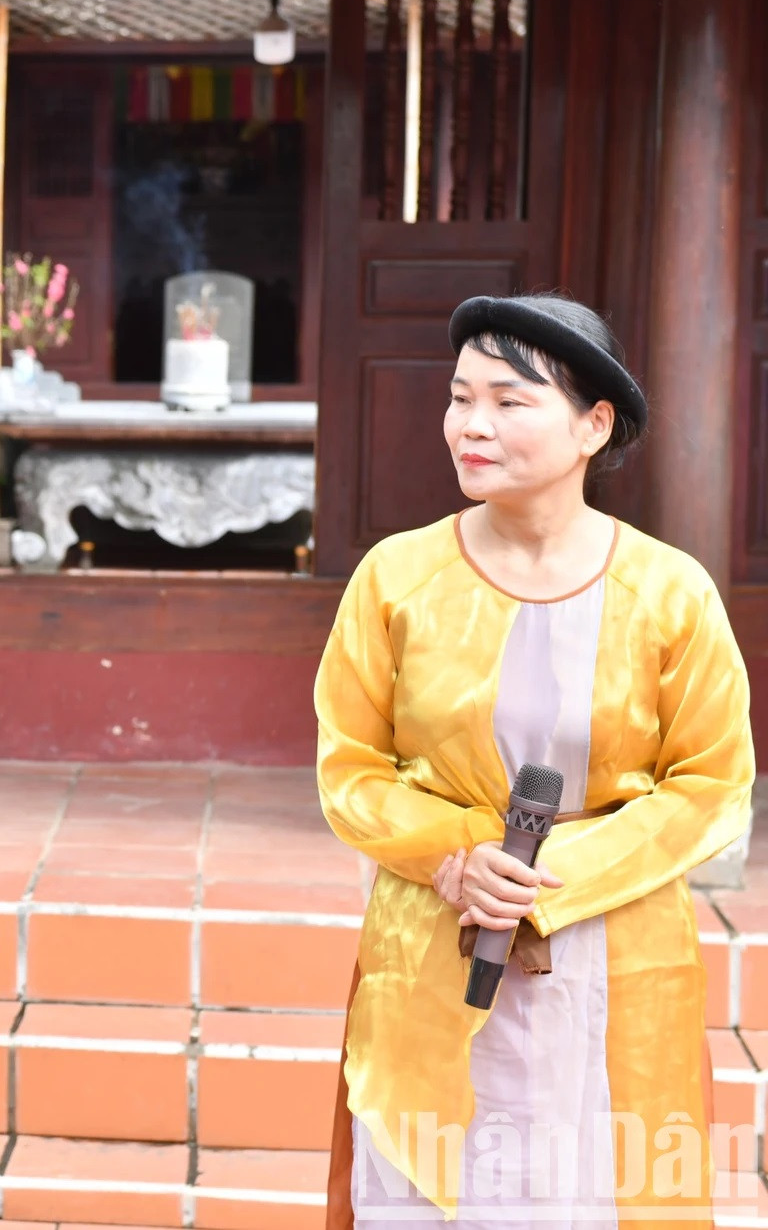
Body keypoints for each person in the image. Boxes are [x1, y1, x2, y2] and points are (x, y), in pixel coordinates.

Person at [315, 293, 754, 1225]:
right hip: (432, 937)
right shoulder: (396, 578)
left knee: (601, 1186)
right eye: (460, 396)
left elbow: (712, 783)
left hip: (612, 951)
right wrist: (457, 857)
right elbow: (350, 768)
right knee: (427, 1188)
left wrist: (549, 872)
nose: (472, 425)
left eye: (510, 401)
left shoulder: (671, 593)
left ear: (595, 424)